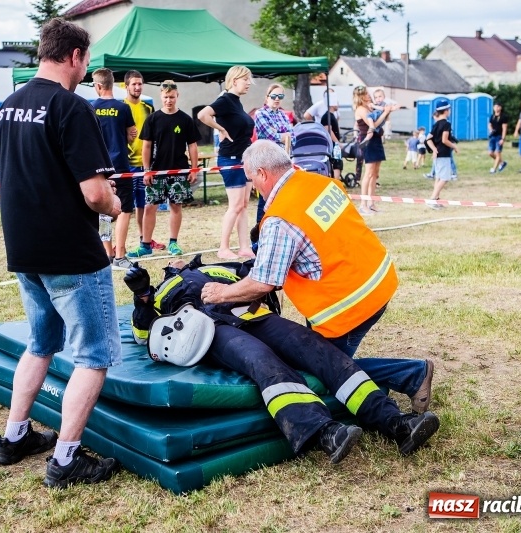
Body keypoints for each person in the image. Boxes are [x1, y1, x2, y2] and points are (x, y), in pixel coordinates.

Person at [126, 257, 439, 462]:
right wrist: (141, 297)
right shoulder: (161, 293)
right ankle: (323, 432)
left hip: (254, 315)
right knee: (262, 360)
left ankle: (396, 423)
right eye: (170, 262)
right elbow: (142, 335)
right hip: (209, 331)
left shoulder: (215, 269)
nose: (174, 261)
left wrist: (251, 265)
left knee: (316, 348)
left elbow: (257, 278)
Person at [201, 140, 434, 414]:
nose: (253, 187)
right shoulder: (321, 183)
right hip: (377, 278)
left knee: (324, 370)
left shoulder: (280, 218)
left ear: (262, 173)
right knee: (318, 357)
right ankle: (406, 375)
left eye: (251, 179)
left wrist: (221, 293)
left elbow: (264, 282)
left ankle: (411, 374)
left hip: (348, 303)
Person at [0, 19, 122, 490]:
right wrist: (115, 204)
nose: (86, 70)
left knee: (41, 343)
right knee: (94, 355)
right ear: (74, 56)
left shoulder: (9, 106)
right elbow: (95, 194)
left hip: (24, 248)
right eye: (86, 60)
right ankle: (66, 459)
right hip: (69, 251)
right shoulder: (71, 106)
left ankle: (14, 437)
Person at [126, 80, 200, 259]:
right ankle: (145, 245)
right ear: (161, 96)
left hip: (179, 171)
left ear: (177, 96)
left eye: (172, 97)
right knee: (150, 207)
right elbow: (146, 146)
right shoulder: (153, 119)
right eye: (166, 97)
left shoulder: (185, 120)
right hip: (156, 171)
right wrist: (146, 170)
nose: (169, 100)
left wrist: (194, 169)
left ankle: (173, 243)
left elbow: (192, 146)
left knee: (176, 206)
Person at [197, 65, 256, 260]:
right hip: (230, 158)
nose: (249, 83)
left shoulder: (236, 102)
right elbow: (202, 115)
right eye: (245, 79)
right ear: (234, 80)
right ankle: (223, 248)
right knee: (236, 205)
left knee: (244, 204)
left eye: (249, 79)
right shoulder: (225, 100)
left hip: (244, 159)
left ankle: (244, 247)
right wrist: (220, 129)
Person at [91, 67, 137, 269]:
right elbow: (131, 135)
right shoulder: (123, 108)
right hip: (120, 165)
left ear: (98, 86)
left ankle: (107, 254)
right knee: (125, 210)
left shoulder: (91, 108)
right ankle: (120, 255)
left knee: (104, 212)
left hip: (99, 166)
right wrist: (127, 136)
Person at [122, 70, 163, 252]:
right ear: (126, 86)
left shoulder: (148, 108)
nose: (137, 87)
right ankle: (119, 245)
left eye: (140, 84)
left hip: (146, 165)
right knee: (125, 207)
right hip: (126, 164)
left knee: (143, 204)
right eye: (134, 84)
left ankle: (144, 239)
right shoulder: (121, 108)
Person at [353, 86, 397, 214]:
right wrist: (385, 113)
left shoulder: (370, 107)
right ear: (361, 96)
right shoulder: (361, 109)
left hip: (377, 139)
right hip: (368, 141)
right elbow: (374, 124)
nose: (369, 95)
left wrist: (388, 111)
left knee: (375, 174)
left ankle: (371, 203)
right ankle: (363, 205)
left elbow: (382, 118)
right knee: (368, 173)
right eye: (366, 94)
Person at [253, 83, 293, 221]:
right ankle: (259, 231)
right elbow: (270, 135)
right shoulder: (260, 113)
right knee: (266, 198)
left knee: (281, 197)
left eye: (280, 96)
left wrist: (282, 135)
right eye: (274, 96)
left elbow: (292, 137)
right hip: (266, 162)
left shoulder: (283, 114)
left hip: (283, 161)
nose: (277, 99)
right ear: (267, 97)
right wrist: (284, 135)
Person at [426, 98, 459, 209]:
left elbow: (428, 139)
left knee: (438, 178)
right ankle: (432, 199)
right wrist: (454, 146)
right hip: (444, 154)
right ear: (446, 111)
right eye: (449, 109)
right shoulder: (446, 124)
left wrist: (434, 149)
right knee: (445, 178)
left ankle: (435, 200)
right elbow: (445, 140)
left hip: (438, 154)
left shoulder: (436, 124)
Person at [320, 103, 343, 181]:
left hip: (334, 145)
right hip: (332, 145)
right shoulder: (327, 117)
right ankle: (335, 181)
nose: (338, 105)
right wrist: (337, 142)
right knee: (336, 164)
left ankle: (336, 180)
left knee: (338, 164)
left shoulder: (332, 116)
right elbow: (328, 130)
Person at [488, 102, 509, 174]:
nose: (496, 108)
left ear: (500, 108)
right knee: (490, 153)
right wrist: (491, 130)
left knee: (497, 153)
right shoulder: (492, 116)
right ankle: (502, 163)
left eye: (497, 107)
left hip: (499, 137)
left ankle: (494, 169)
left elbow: (504, 128)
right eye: (495, 107)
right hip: (493, 136)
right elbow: (489, 124)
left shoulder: (503, 117)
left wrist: (503, 139)